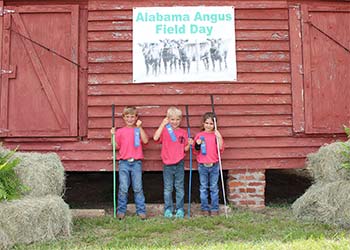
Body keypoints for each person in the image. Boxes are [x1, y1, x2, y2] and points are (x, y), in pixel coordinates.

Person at [153, 106, 192, 218]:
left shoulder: (183, 132)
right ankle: (168, 209)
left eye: (177, 119)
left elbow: (185, 149)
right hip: (167, 163)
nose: (175, 122)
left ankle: (180, 209)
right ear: (168, 119)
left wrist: (189, 144)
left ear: (181, 120)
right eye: (172, 119)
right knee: (168, 188)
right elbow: (155, 138)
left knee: (179, 187)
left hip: (179, 163)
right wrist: (162, 124)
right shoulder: (165, 130)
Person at [111, 106, 148, 220]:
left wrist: (140, 127)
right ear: (124, 118)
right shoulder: (120, 131)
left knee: (137, 187)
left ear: (136, 118)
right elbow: (115, 146)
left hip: (136, 162)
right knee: (123, 187)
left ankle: (141, 211)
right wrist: (112, 135)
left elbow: (145, 140)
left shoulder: (138, 130)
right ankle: (121, 210)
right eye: (127, 117)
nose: (130, 119)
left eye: (132, 117)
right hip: (124, 163)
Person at [193, 112, 224, 216]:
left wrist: (219, 138)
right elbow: (195, 151)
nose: (208, 125)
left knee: (214, 187)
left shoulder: (215, 135)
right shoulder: (199, 135)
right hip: (203, 166)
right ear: (203, 123)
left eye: (211, 124)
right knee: (203, 187)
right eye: (206, 123)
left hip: (214, 165)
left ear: (214, 125)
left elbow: (220, 149)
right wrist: (197, 145)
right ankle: (205, 208)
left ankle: (214, 208)